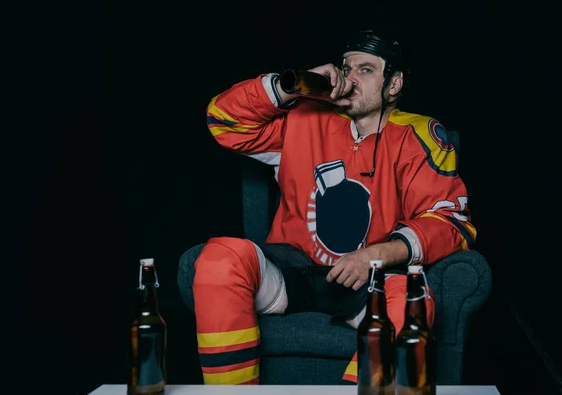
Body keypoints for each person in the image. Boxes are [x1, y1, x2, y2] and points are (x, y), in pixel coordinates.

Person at [184, 28, 477, 385]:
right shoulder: (304, 118)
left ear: (394, 84)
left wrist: (375, 255)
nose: (350, 77)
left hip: (369, 281)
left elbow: (450, 221)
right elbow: (224, 122)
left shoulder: (420, 135)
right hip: (293, 268)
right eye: (346, 67)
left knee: (412, 301)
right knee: (218, 258)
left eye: (365, 70)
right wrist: (286, 88)